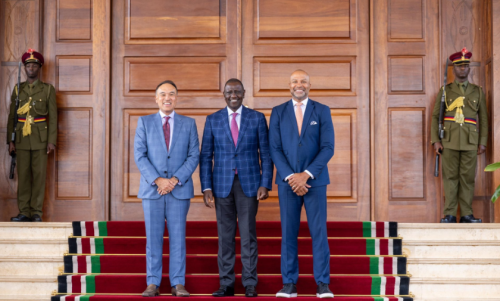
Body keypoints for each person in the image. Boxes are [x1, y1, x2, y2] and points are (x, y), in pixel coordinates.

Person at [199, 78, 273, 297]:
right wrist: (206, 187)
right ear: (224, 93)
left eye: (238, 91)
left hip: (249, 185)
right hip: (221, 185)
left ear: (244, 93)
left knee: (248, 234)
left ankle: (250, 282)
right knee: (225, 236)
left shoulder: (257, 118)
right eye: (230, 91)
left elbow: (266, 155)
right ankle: (226, 283)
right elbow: (206, 157)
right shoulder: (212, 120)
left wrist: (265, 183)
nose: (234, 95)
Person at [269, 70, 334, 298]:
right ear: (289, 85)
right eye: (295, 81)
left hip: (314, 183)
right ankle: (289, 283)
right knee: (288, 233)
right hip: (287, 184)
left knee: (319, 233)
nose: (299, 85)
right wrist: (291, 176)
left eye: (303, 81)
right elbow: (274, 149)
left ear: (309, 85)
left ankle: (322, 284)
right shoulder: (277, 112)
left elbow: (328, 147)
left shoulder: (322, 110)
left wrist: (305, 175)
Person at [134, 80, 200, 297]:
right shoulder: (144, 122)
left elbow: (193, 156)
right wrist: (158, 180)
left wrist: (174, 180)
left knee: (178, 238)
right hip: (152, 191)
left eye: (171, 94)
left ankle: (178, 283)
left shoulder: (189, 123)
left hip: (179, 190)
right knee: (153, 239)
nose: (167, 98)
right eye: (163, 94)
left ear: (177, 98)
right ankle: (153, 282)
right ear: (156, 98)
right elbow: (140, 155)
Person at [431, 48, 488, 223]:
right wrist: (436, 141)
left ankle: (466, 215)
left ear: (469, 69)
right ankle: (449, 214)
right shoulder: (445, 91)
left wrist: (483, 141)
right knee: (449, 178)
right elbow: (435, 116)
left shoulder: (477, 91)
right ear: (454, 69)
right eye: (459, 66)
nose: (462, 69)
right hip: (449, 141)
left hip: (471, 142)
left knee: (468, 178)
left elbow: (484, 118)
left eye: (465, 66)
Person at [7, 49, 57, 222]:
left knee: (39, 176)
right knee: (24, 176)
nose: (31, 68)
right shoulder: (17, 89)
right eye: (28, 65)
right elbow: (12, 117)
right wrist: (10, 141)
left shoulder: (48, 90)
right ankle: (24, 212)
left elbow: (53, 117)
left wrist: (52, 141)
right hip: (21, 138)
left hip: (41, 139)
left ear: (39, 68)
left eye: (34, 65)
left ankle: (36, 213)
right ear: (25, 68)